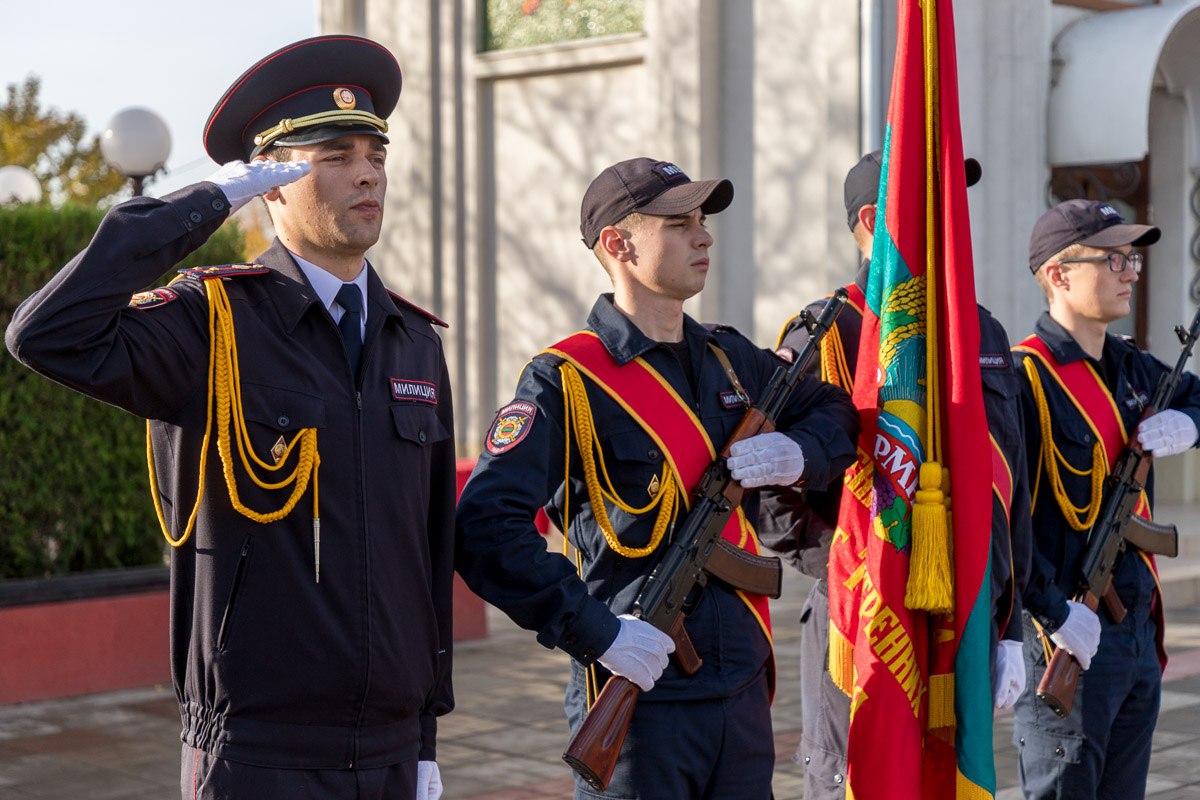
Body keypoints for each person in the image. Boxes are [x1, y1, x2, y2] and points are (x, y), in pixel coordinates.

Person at [6, 36, 454, 800]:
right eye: (336, 154)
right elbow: (46, 334)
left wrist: (424, 738)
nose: (368, 172)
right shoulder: (209, 322)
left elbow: (427, 551)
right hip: (258, 752)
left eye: (375, 152)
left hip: (387, 752)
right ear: (271, 183)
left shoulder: (411, 340)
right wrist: (204, 203)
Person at [455, 157, 859, 799]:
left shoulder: (732, 360)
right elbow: (486, 528)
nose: (704, 236)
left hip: (744, 692)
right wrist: (595, 632)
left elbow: (833, 408)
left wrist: (798, 453)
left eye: (702, 221)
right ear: (618, 243)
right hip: (641, 697)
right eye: (679, 223)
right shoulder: (566, 381)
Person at [757, 150, 1034, 798]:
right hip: (863, 613)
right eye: (934, 197)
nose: (953, 215)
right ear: (875, 218)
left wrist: (1011, 623)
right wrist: (857, 565)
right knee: (854, 778)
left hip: (964, 608)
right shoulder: (829, 329)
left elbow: (1009, 484)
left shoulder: (981, 328)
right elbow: (772, 497)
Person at [1011, 199, 1200, 799]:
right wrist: (1052, 613)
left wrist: (1190, 426)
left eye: (1132, 260)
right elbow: (1004, 520)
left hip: (1137, 632)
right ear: (1058, 275)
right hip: (1069, 634)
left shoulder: (1131, 366)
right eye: (1113, 258)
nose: (1129, 272)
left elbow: (1197, 397)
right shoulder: (1023, 380)